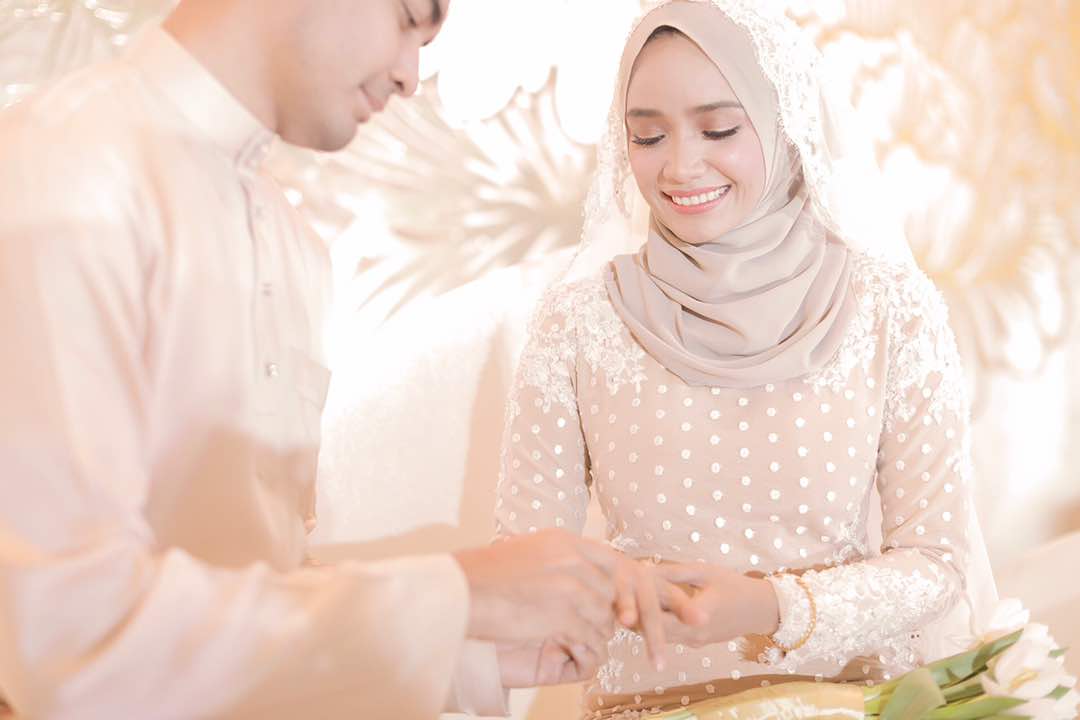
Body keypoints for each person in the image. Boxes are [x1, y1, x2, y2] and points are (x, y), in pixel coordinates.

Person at [0, 1, 705, 717]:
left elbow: (251, 586)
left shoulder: (293, 245)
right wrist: (462, 592)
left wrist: (464, 656)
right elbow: (64, 639)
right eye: (408, 18)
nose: (410, 76)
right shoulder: (68, 170)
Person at [494, 1, 998, 717]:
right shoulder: (577, 323)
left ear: (783, 121)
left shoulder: (891, 307)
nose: (680, 165)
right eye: (647, 135)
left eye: (719, 129)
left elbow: (937, 566)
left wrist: (770, 607)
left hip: (847, 702)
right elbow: (524, 571)